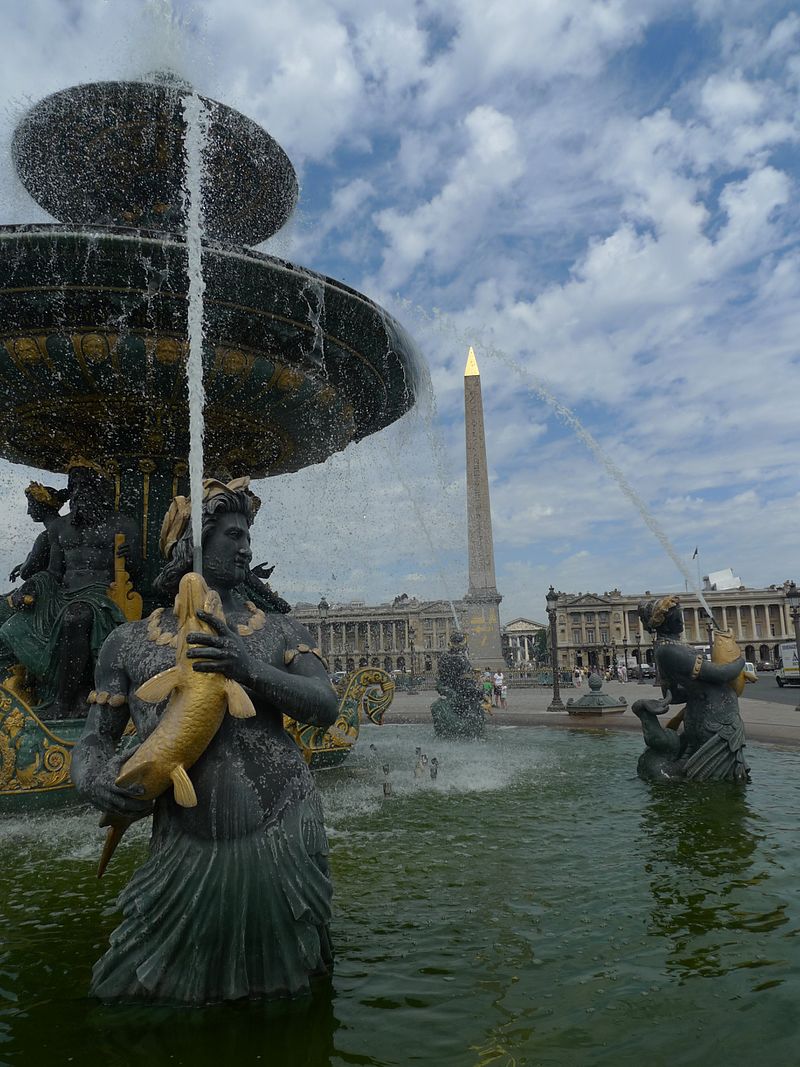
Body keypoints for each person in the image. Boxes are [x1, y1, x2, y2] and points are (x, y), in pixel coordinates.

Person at [71, 477, 338, 1002]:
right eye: (233, 535)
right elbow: (92, 743)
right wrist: (98, 782)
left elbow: (325, 707)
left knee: (287, 997)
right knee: (134, 996)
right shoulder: (127, 642)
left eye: (247, 536)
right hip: (183, 842)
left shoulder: (280, 630)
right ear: (193, 543)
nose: (246, 547)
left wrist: (249, 669)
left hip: (279, 830)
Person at [0, 461, 140, 716]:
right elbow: (54, 572)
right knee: (11, 623)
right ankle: (31, 690)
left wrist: (130, 558)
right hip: (62, 594)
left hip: (102, 593)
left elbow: (138, 573)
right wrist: (32, 584)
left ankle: (63, 703)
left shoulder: (121, 524)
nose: (77, 492)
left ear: (100, 490)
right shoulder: (60, 528)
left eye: (84, 485)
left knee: (76, 616)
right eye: (73, 486)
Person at [631, 594, 749, 782]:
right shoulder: (671, 649)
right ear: (666, 621)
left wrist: (696, 691)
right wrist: (740, 661)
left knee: (705, 773)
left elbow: (675, 694)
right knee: (715, 778)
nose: (682, 619)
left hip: (703, 715)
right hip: (715, 719)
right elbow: (718, 674)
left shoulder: (667, 647)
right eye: (678, 615)